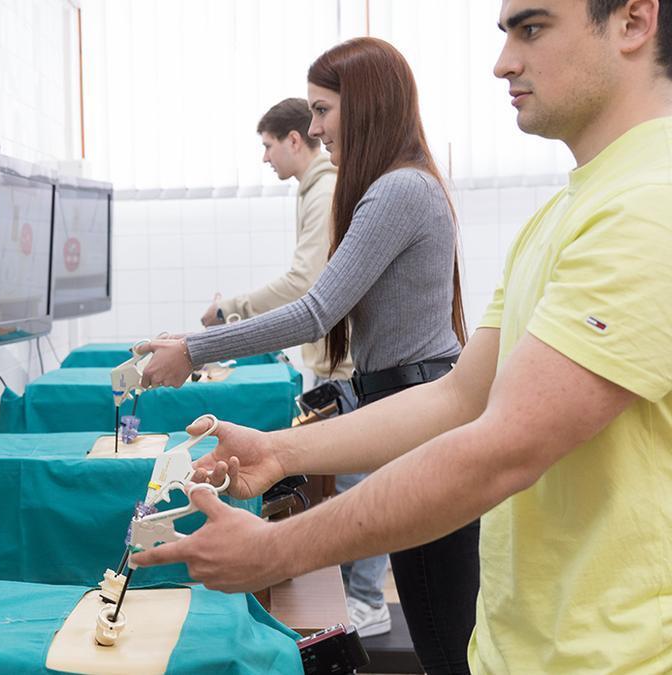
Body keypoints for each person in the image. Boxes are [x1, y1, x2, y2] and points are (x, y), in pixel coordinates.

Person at [132, 1, 672, 672]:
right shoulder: (561, 215)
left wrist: (273, 548)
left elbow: (502, 447)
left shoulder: (647, 207)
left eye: (532, 28)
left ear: (633, 22)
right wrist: (277, 448)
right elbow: (457, 399)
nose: (502, 63)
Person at [138, 37, 479, 671]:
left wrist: (193, 348)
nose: (315, 129)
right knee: (439, 615)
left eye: (323, 110)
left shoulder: (398, 190)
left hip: (416, 404)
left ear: (367, 104)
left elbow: (315, 309)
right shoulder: (395, 185)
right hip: (401, 399)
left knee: (443, 626)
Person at [202, 98, 389, 636]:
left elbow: (305, 288)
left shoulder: (325, 190)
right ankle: (358, 595)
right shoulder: (314, 191)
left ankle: (367, 599)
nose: (264, 157)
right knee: (349, 481)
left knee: (357, 483)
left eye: (267, 145)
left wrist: (228, 315)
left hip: (345, 366)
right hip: (334, 362)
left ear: (293, 139)